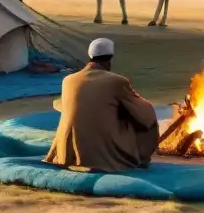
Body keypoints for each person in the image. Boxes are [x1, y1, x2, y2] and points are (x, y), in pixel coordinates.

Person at [44, 37, 160, 172]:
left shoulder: (68, 80)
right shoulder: (117, 81)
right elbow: (145, 111)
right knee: (145, 118)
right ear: (110, 58)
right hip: (104, 154)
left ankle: (69, 155)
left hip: (65, 154)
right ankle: (140, 159)